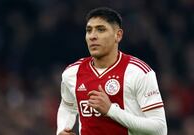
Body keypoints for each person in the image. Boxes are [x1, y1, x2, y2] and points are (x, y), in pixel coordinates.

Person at [56, 7, 167, 135]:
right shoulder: (72, 73)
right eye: (89, 30)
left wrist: (111, 110)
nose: (93, 36)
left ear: (118, 35)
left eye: (101, 30)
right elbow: (67, 106)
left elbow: (160, 129)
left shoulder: (139, 72)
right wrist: (62, 129)